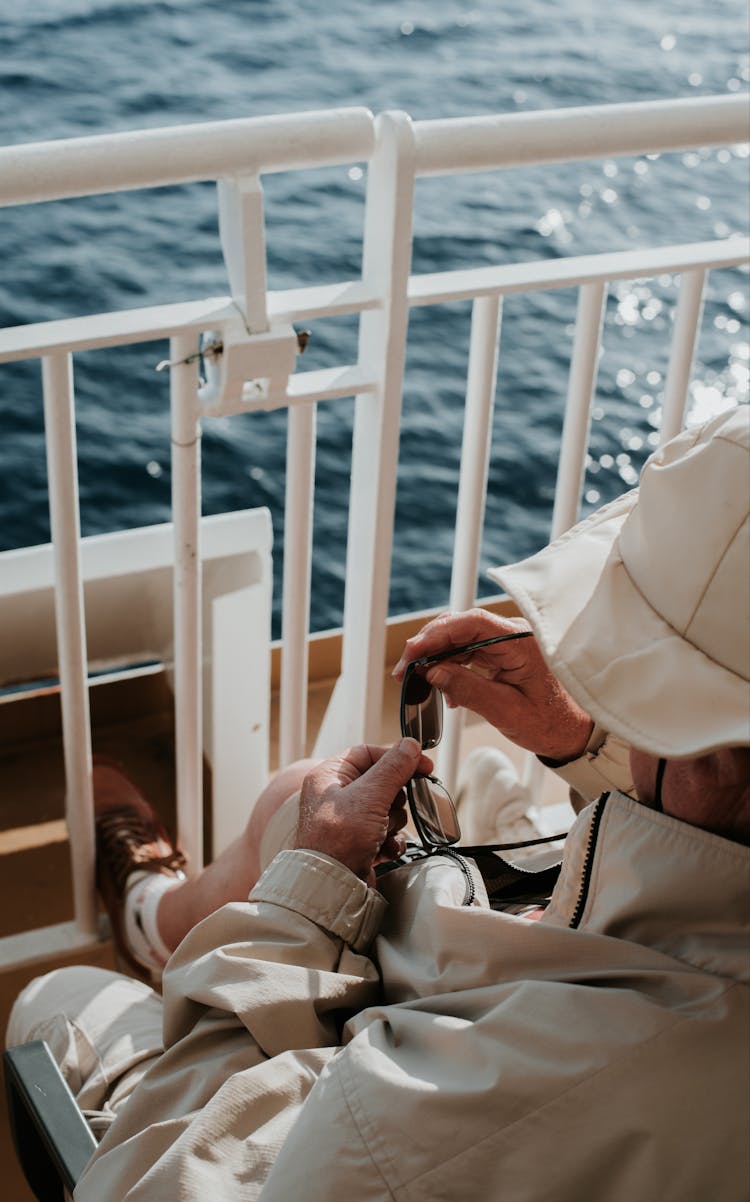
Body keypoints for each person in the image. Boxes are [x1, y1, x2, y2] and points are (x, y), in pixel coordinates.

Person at [7, 407, 750, 1202]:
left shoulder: (480, 1102)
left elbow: (157, 1182)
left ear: (706, 752)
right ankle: (162, 919)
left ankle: (153, 918)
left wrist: (307, 895)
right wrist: (583, 741)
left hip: (330, 1122)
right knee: (299, 799)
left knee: (59, 999)